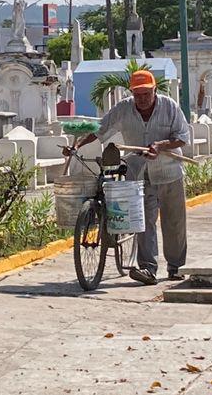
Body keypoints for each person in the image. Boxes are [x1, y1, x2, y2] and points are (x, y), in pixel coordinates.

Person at [65, 70, 191, 285]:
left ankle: (175, 266)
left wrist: (160, 145)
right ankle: (148, 268)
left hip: (169, 172)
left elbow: (182, 137)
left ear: (154, 90)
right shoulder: (123, 109)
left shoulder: (169, 107)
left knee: (174, 222)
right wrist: (77, 145)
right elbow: (99, 129)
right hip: (138, 173)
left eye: (146, 94)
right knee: (144, 222)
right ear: (131, 93)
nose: (142, 99)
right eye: (137, 94)